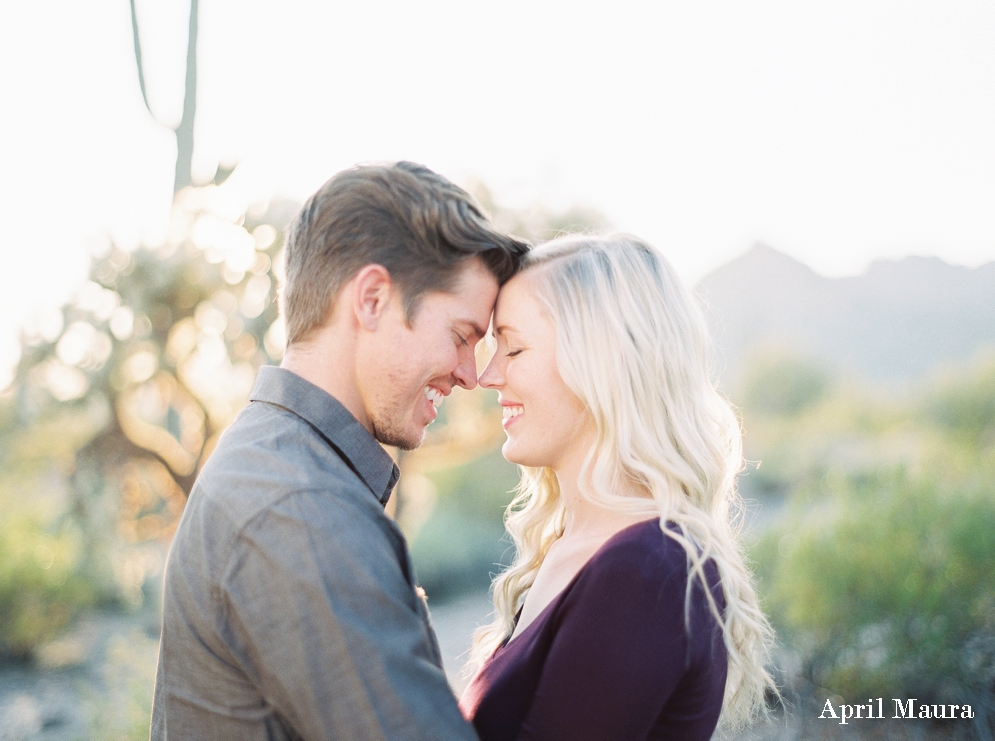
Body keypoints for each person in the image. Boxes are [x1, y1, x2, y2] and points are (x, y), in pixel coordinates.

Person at [150, 161, 528, 740]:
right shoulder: (301, 509)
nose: (468, 374)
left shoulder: (276, 465)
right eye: (460, 337)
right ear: (373, 298)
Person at [459, 234, 777, 740]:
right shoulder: (577, 549)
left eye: (513, 347)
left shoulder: (648, 570)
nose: (487, 375)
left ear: (601, 364)